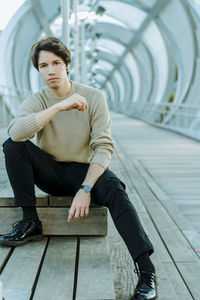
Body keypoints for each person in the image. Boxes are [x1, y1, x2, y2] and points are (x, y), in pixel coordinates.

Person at [0, 37, 157, 300]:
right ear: (38, 70)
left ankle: (146, 273)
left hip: (85, 172)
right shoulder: (37, 100)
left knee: (116, 191)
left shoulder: (94, 97)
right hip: (49, 171)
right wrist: (60, 106)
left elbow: (104, 146)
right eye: (43, 66)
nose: (50, 70)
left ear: (67, 64)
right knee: (13, 146)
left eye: (56, 63)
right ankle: (30, 221)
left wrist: (86, 188)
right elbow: (16, 133)